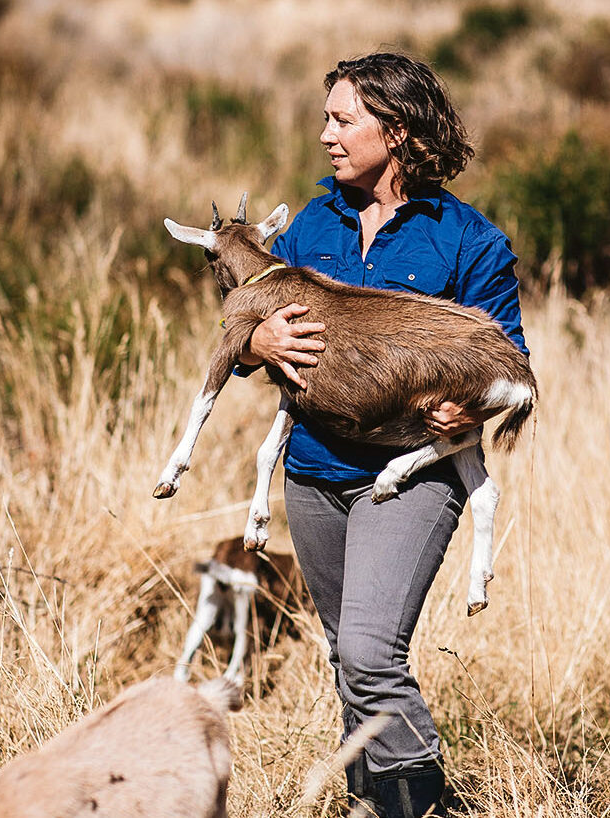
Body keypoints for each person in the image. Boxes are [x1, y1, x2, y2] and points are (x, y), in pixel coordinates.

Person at [235, 52, 528, 817]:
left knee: (370, 654)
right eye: (327, 118)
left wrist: (470, 410)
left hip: (411, 478)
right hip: (313, 472)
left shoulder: (468, 242)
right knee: (344, 656)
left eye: (343, 120)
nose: (326, 135)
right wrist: (255, 346)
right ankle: (375, 801)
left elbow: (512, 367)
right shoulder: (308, 224)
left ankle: (425, 799)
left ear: (394, 132)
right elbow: (246, 324)